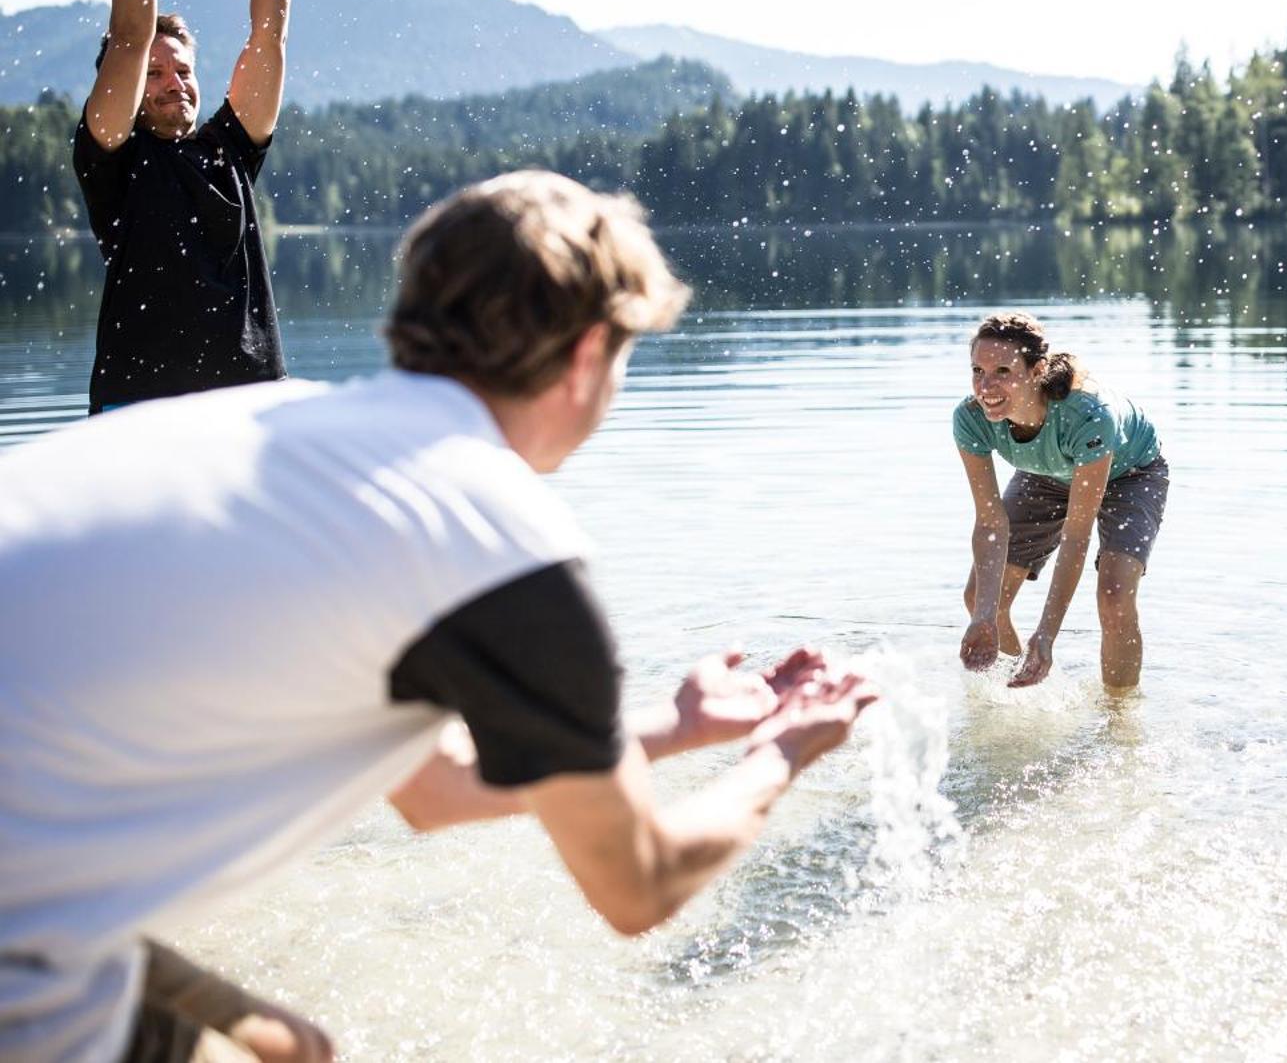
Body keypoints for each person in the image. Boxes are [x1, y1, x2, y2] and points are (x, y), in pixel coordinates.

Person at [0, 171, 876, 1063]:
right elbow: (636, 885)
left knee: (291, 1048)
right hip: (16, 946)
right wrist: (787, 748)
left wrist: (677, 728)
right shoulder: (494, 536)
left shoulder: (285, 430)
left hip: (25, 880)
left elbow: (435, 789)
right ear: (586, 354)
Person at [73, 0, 295, 415]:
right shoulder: (113, 158)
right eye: (155, 73)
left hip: (249, 418)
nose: (175, 83)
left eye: (184, 70)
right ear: (120, 88)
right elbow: (127, 34)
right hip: (137, 421)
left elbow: (268, 32)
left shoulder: (229, 150)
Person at [953, 311, 1170, 689]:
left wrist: (1047, 632)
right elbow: (990, 522)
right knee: (979, 597)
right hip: (1048, 474)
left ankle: (1120, 724)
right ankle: (1020, 691)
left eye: (1003, 371)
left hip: (1130, 474)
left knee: (1115, 598)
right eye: (977, 370)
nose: (986, 386)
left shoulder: (1088, 414)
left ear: (1036, 371)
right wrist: (984, 616)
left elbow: (1076, 533)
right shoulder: (970, 419)